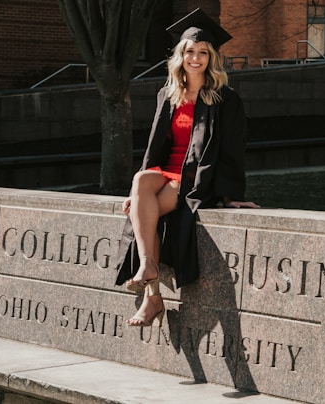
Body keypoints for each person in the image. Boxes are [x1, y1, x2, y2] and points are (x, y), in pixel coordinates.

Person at [115, 8, 259, 327]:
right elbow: (154, 148)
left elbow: (234, 150)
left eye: (203, 52)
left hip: (194, 179)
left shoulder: (225, 100)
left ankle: (152, 294)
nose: (196, 57)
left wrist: (231, 194)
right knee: (141, 182)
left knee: (145, 207)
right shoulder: (167, 94)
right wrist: (135, 194)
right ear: (181, 55)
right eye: (190, 51)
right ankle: (149, 271)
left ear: (211, 58)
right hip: (162, 175)